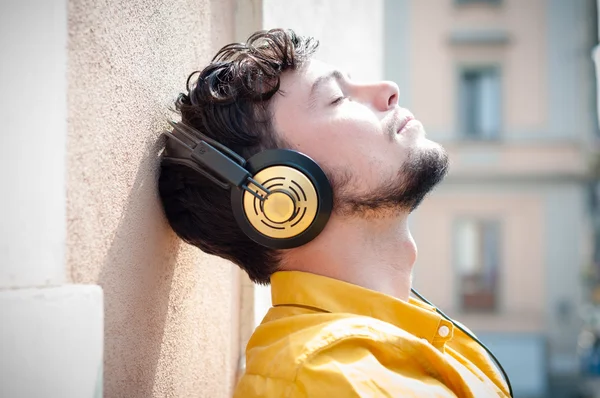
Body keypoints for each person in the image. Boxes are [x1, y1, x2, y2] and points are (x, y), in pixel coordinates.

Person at [159, 28, 511, 397]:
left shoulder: (391, 342)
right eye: (338, 98)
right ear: (277, 195)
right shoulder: (322, 380)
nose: (388, 90)